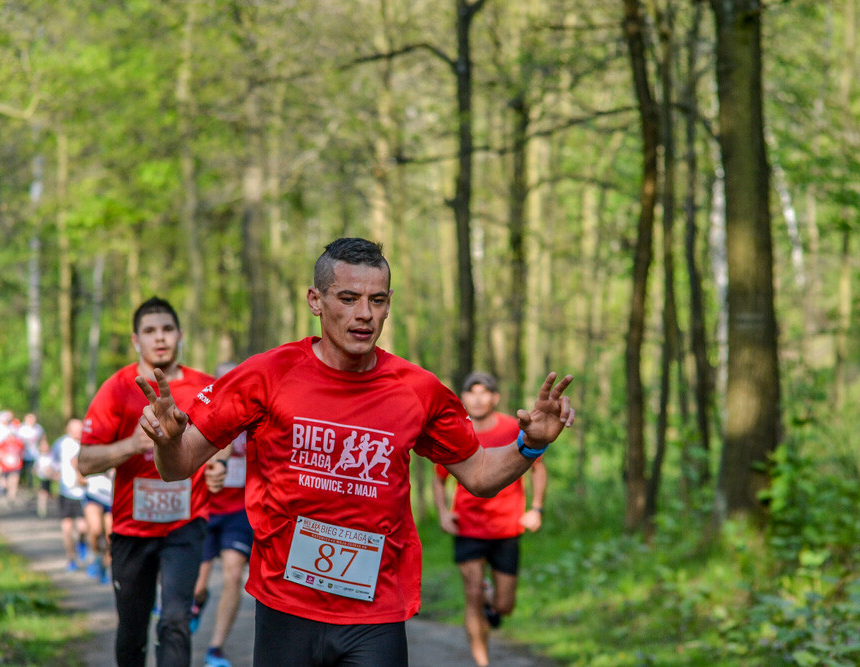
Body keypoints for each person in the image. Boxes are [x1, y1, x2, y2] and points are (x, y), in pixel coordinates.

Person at [137, 238, 575, 667]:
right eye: (348, 298)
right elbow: (178, 467)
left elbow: (479, 474)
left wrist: (530, 444)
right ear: (316, 300)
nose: (364, 314)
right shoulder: (267, 375)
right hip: (285, 604)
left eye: (377, 300)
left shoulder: (418, 390)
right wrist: (169, 442)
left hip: (376, 611)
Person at [77, 296, 223, 667]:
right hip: (131, 530)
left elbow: (222, 444)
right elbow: (85, 462)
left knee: (175, 621)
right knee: (132, 629)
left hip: (186, 525)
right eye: (150, 331)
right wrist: (131, 444)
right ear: (135, 340)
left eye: (167, 329)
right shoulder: (117, 389)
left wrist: (215, 467)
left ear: (180, 335)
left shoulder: (206, 388)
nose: (160, 338)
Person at [432, 371, 548, 667]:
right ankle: (482, 662)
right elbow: (439, 477)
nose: (479, 398)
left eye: (485, 392)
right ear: (464, 397)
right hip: (468, 526)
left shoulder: (514, 427)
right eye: (472, 392)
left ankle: (491, 597)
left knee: (504, 605)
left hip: (506, 527)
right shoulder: (456, 429)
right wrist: (444, 514)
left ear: (495, 398)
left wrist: (536, 508)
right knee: (471, 594)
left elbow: (537, 468)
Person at [189, 362, 253, 667]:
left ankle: (215, 647)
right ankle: (198, 601)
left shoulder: (257, 416)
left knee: (233, 573)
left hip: (240, 511)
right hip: (206, 509)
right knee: (198, 584)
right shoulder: (205, 414)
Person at [52, 418, 89, 571]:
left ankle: (81, 542)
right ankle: (71, 559)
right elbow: (51, 460)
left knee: (83, 528)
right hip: (65, 492)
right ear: (68, 429)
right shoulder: (60, 444)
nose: (77, 432)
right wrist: (54, 470)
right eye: (74, 429)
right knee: (66, 529)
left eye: (79, 429)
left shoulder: (88, 444)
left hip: (83, 493)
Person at [0, 426, 25, 506]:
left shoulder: (19, 443)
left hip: (16, 465)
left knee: (14, 482)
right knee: (6, 483)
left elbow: (22, 453)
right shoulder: (3, 443)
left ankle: (11, 498)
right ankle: (6, 492)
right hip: (5, 465)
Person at [17, 413, 48, 492]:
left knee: (32, 470)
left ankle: (31, 486)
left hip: (35, 453)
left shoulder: (38, 428)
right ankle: (21, 483)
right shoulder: (21, 428)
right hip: (23, 453)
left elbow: (43, 438)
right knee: (21, 470)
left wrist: (43, 447)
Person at [33, 438, 58, 518]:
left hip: (50, 478)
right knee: (42, 494)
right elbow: (35, 468)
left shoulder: (52, 456)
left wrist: (52, 471)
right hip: (41, 478)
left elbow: (56, 466)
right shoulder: (38, 456)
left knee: (49, 494)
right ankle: (42, 510)